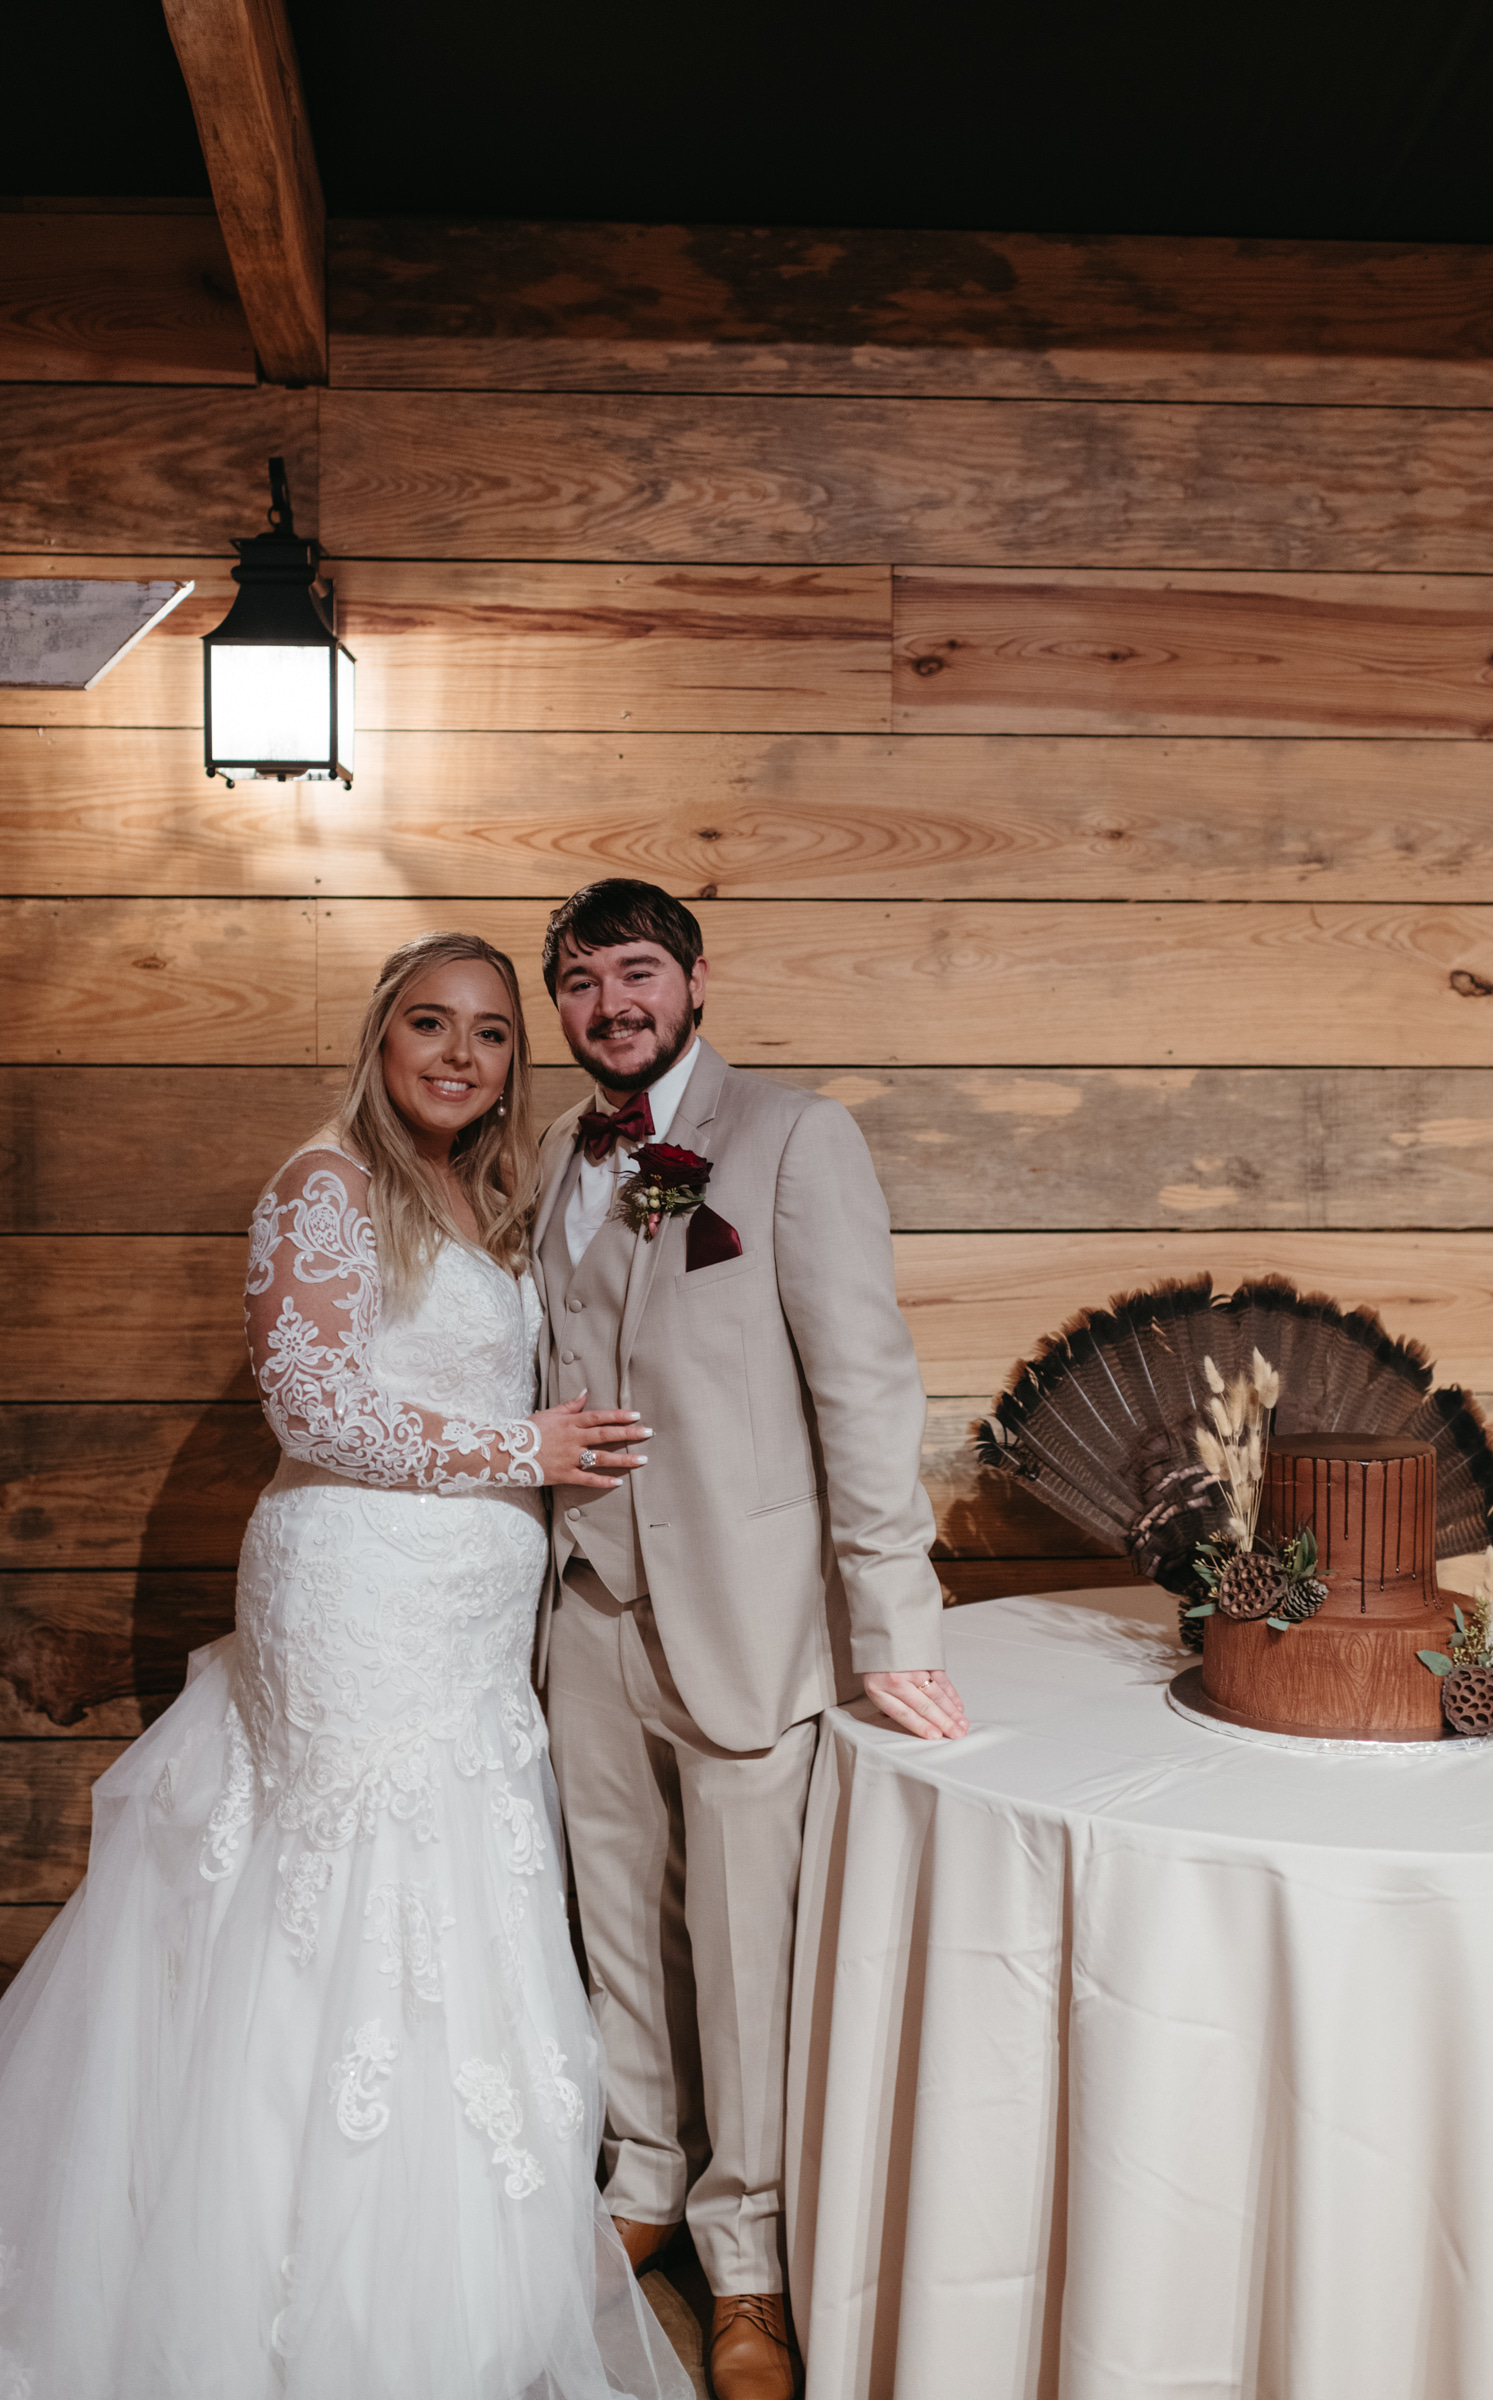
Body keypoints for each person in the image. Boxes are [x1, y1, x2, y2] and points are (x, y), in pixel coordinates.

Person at [0, 931, 689, 2400]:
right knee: (342, 1902)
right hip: (353, 1601)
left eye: (488, 1033)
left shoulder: (487, 1197)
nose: (460, 1055)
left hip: (467, 1627)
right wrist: (518, 1454)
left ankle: (454, 2281)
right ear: (381, 1035)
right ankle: (278, 2286)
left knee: (457, 1901)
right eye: (430, 1024)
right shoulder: (324, 1183)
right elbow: (311, 1408)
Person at [532, 881, 968, 2400]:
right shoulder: (554, 1159)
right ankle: (639, 2178)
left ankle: (751, 2262)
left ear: (697, 978)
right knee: (616, 1937)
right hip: (584, 1619)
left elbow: (867, 1391)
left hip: (747, 1622)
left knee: (746, 1957)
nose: (612, 1006)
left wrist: (894, 1619)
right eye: (581, 984)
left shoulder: (794, 1138)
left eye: (637, 973)